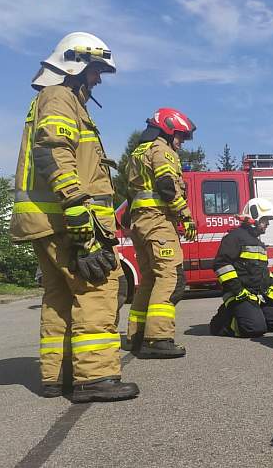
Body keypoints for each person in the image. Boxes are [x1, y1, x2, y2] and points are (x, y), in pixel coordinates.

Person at [9, 32, 139, 402]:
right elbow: (54, 153)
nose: (98, 80)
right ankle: (94, 377)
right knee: (97, 287)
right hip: (68, 220)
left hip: (48, 222)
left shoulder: (51, 100)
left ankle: (57, 375)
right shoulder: (60, 97)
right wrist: (77, 205)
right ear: (76, 66)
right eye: (96, 71)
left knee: (59, 297)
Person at [124, 108, 198, 358]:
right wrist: (185, 216)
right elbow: (167, 186)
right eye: (180, 136)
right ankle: (157, 339)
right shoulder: (162, 150)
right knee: (170, 278)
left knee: (149, 279)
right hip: (157, 221)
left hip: (140, 223)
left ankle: (136, 335)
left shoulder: (138, 152)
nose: (181, 142)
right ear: (168, 130)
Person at [209, 198, 273, 337]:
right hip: (240, 295)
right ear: (255, 218)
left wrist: (272, 285)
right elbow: (221, 265)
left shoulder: (258, 243)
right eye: (265, 220)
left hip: (259, 295)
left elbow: (263, 270)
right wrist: (238, 290)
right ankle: (225, 321)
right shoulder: (234, 237)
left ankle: (251, 314)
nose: (268, 224)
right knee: (254, 328)